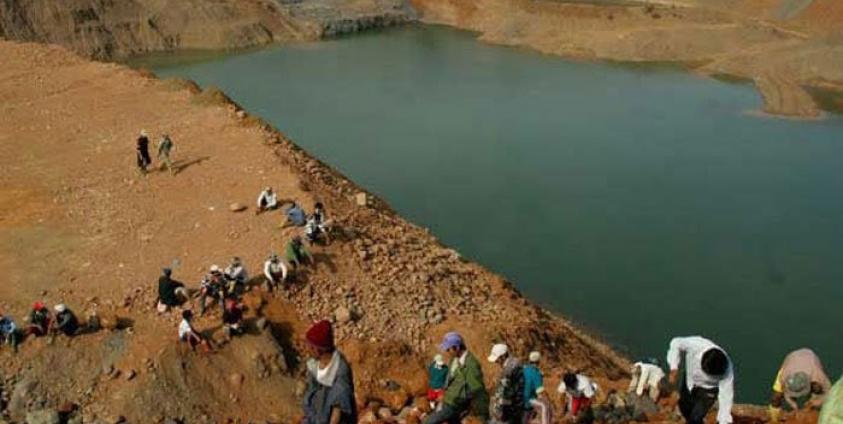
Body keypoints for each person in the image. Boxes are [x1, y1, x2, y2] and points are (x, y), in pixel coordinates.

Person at [424, 332, 489, 424]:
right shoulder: (454, 359)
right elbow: (449, 380)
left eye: (448, 349)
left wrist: (482, 415)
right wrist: (443, 394)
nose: (447, 352)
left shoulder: (471, 365)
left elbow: (477, 389)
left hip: (455, 403)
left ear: (457, 348)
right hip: (448, 399)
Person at [666, 336, 734, 424]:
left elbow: (726, 397)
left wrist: (723, 420)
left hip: (709, 390)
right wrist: (674, 367)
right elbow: (676, 343)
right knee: (684, 407)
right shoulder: (697, 345)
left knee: (696, 417)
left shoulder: (727, 370)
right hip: (689, 381)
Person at [301, 320, 357, 424]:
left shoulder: (340, 369)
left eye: (310, 347)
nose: (307, 350)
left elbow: (338, 406)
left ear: (317, 350)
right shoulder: (314, 364)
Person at [769, 348, 832, 421]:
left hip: (810, 359)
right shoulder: (783, 377)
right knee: (776, 398)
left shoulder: (818, 376)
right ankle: (774, 419)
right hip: (792, 359)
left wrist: (813, 404)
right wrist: (795, 407)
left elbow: (830, 395)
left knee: (818, 388)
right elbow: (786, 395)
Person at [488, 343, 526, 424]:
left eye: (497, 359)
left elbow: (504, 395)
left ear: (503, 356)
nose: (496, 362)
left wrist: (497, 413)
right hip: (518, 407)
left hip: (512, 410)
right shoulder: (516, 363)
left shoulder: (508, 370)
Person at [523, 351, 551, 424]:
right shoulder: (536, 373)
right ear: (538, 361)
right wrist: (548, 399)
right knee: (545, 406)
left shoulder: (524, 369)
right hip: (528, 399)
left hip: (519, 397)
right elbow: (540, 391)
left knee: (527, 417)